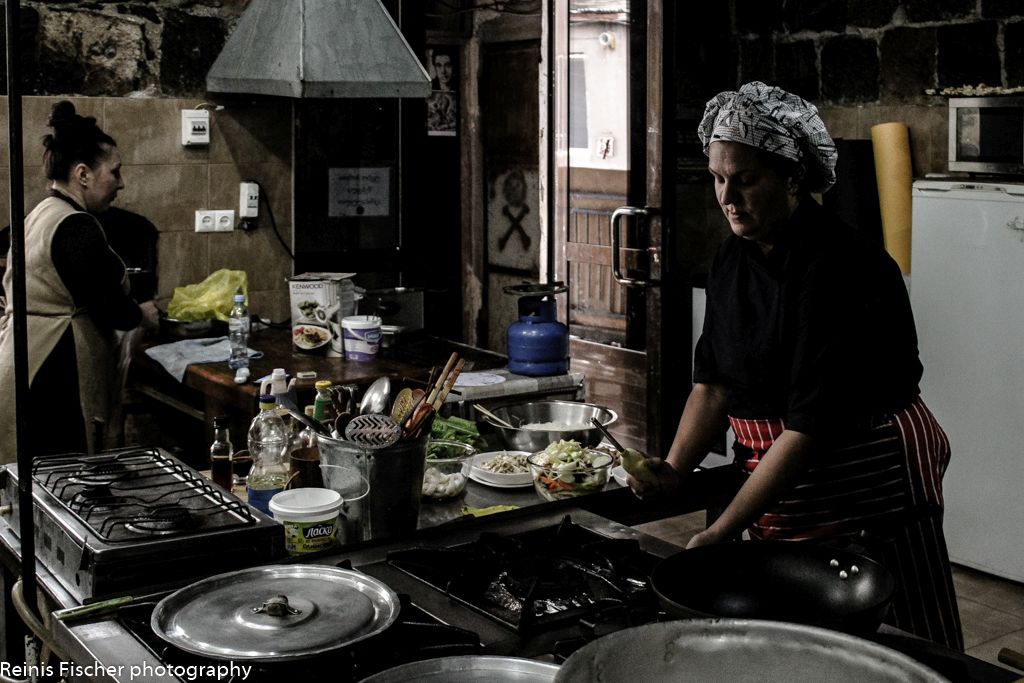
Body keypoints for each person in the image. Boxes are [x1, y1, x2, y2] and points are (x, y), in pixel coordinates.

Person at [626, 82, 964, 650]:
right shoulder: (732, 258)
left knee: (907, 643)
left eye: (746, 179)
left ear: (792, 177)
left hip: (867, 475)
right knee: (800, 639)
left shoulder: (841, 266)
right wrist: (676, 469)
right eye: (717, 178)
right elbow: (713, 383)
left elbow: (813, 426)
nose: (728, 197)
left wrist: (722, 529)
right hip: (781, 469)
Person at [0, 101, 159, 462]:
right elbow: (111, 308)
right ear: (83, 174)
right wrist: (142, 314)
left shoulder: (43, 212)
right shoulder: (76, 226)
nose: (121, 183)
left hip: (26, 365)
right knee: (62, 491)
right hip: (52, 376)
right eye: (114, 172)